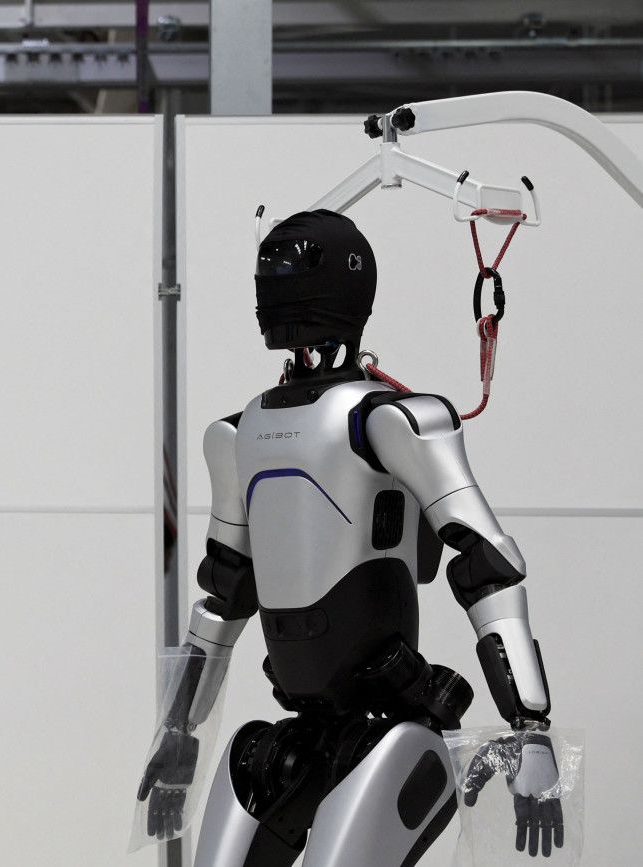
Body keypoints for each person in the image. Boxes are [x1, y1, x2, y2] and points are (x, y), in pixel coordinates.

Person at [135, 209, 561, 865]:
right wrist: (178, 729)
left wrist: (529, 724)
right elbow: (224, 593)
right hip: (294, 731)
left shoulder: (392, 420)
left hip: (389, 726)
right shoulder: (239, 434)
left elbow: (486, 561)